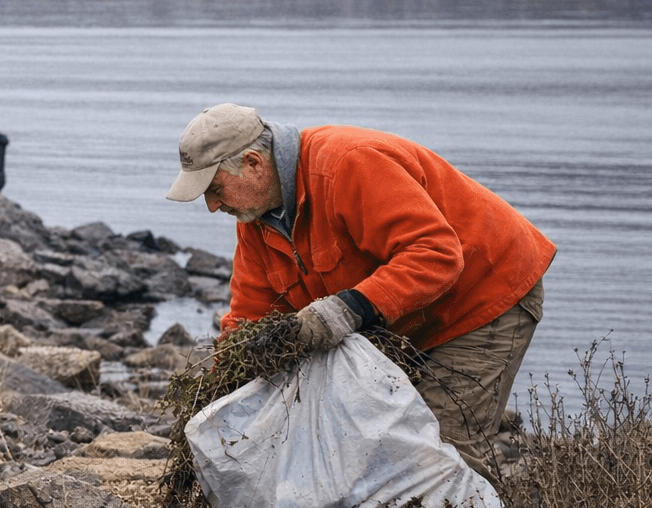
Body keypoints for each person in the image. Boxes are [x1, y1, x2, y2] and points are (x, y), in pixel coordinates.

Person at [165, 103, 556, 485]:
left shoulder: (349, 164)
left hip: (483, 293)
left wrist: (340, 311)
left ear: (253, 163)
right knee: (372, 448)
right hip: (405, 320)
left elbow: (434, 254)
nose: (213, 206)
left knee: (442, 455)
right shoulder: (258, 219)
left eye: (215, 189)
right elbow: (251, 313)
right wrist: (215, 398)